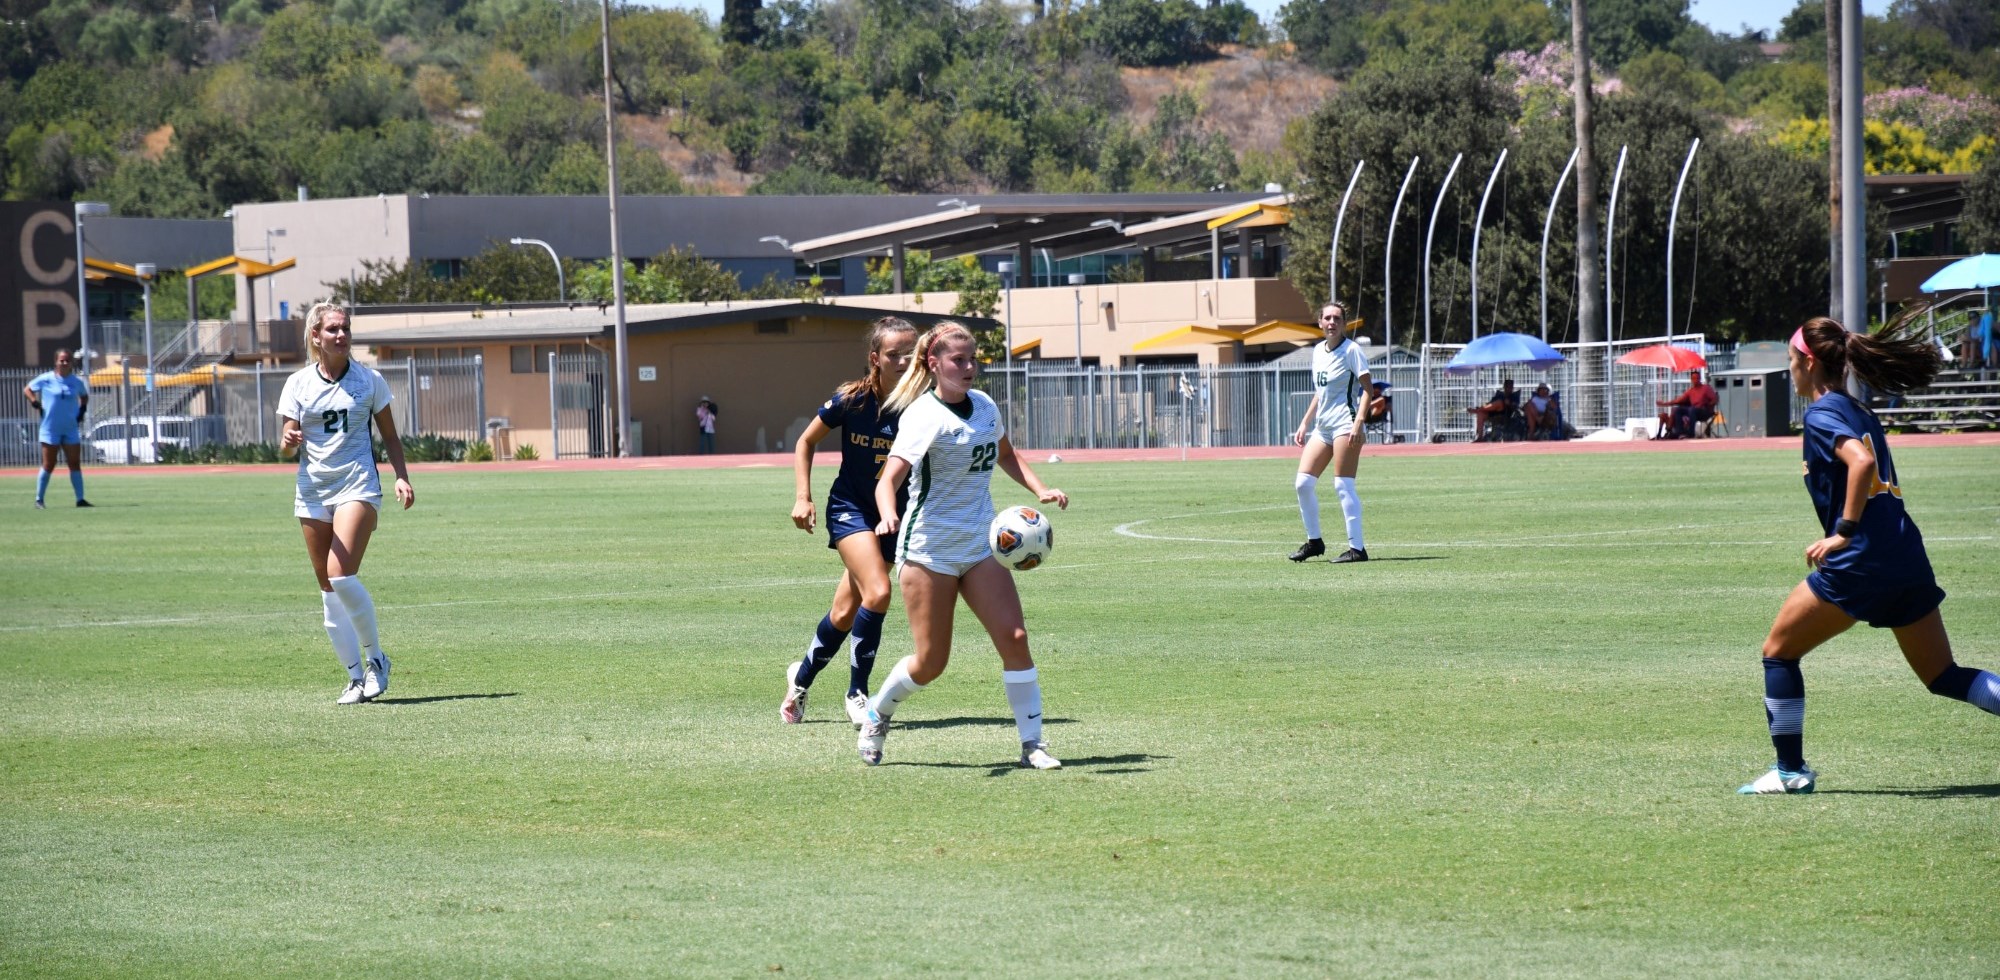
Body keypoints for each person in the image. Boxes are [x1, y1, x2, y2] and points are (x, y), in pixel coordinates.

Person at [1741, 316, 2000, 794]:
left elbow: (1860, 464)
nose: (1790, 371)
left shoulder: (1821, 415)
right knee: (1944, 675)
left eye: (1791, 362)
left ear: (1810, 362)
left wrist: (1842, 532)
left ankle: (1790, 772)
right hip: (1905, 556)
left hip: (1860, 563)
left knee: (1778, 653)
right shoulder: (1859, 411)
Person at [858, 321, 1069, 770]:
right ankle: (878, 712)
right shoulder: (923, 415)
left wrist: (1039, 488)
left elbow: (1006, 453)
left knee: (1015, 638)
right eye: (959, 360)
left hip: (979, 545)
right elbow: (888, 479)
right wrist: (888, 513)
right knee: (931, 663)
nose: (969, 367)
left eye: (973, 359)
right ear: (934, 364)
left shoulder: (986, 406)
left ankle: (1033, 744)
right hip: (928, 551)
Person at [782, 317, 919, 727]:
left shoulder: (924, 405)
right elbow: (805, 441)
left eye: (911, 354)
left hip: (893, 517)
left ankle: (799, 681)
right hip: (850, 509)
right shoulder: (851, 399)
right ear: (874, 358)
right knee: (877, 592)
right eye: (894, 354)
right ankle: (858, 693)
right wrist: (803, 497)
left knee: (845, 612)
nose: (903, 361)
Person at [277, 302, 415, 705]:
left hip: (358, 486)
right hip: (313, 491)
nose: (341, 335)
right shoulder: (298, 384)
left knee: (340, 574)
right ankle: (355, 678)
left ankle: (377, 661)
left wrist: (401, 476)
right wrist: (288, 441)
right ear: (316, 336)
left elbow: (390, 435)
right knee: (327, 588)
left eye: (346, 328)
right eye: (333, 329)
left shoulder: (369, 380)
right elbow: (286, 444)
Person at [1289, 303, 1374, 563]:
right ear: (1319, 322)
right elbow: (1321, 391)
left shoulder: (1352, 350)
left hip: (1346, 424)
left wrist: (1359, 422)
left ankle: (1357, 549)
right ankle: (1314, 542)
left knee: (1342, 484)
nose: (1331, 322)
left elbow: (1368, 389)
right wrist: (1305, 422)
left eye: (1337, 318)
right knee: (1302, 484)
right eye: (1327, 318)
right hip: (1323, 427)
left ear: (1344, 324)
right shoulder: (1317, 351)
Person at [22, 348, 90, 508]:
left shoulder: (76, 382)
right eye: (62, 360)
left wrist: (82, 411)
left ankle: (80, 499)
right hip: (50, 428)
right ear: (56, 362)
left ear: (71, 362)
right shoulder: (46, 379)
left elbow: (84, 396)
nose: (65, 363)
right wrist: (34, 401)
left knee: (74, 463)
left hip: (70, 428)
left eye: (67, 360)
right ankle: (39, 499)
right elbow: (28, 389)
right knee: (49, 464)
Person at [1655, 370, 1717, 439]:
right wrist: (1664, 404)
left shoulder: (1706, 388)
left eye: (1697, 378)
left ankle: (1691, 434)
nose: (1695, 380)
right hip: (1693, 410)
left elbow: (1715, 399)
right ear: (1691, 380)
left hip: (1704, 411)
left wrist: (1708, 405)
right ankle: (1680, 433)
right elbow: (1678, 401)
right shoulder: (1690, 391)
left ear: (1699, 379)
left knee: (1692, 409)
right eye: (1693, 378)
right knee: (1677, 409)